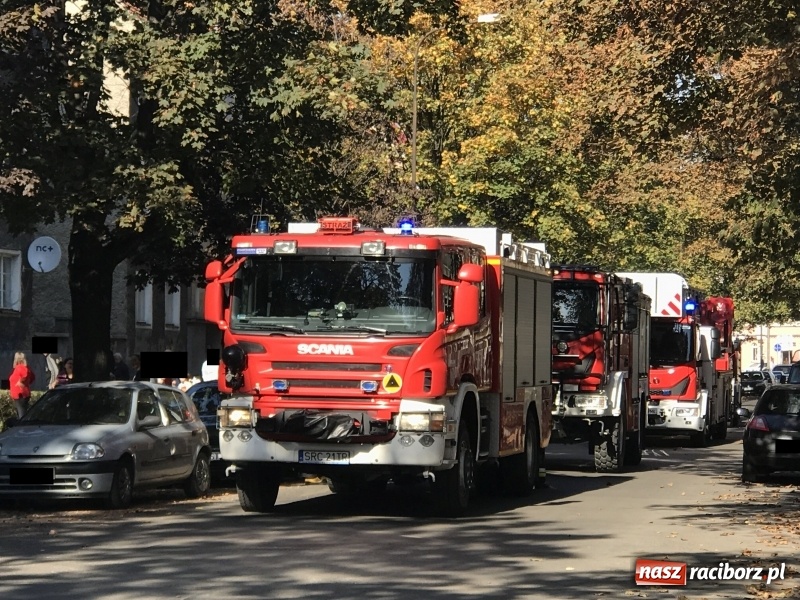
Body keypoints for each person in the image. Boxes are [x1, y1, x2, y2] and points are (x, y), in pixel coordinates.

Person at [9, 352, 35, 418]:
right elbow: (32, 377)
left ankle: (22, 427)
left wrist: (20, 382)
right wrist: (26, 383)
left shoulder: (20, 367)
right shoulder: (26, 368)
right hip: (22, 394)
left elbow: (25, 375)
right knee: (21, 412)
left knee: (21, 414)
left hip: (20, 394)